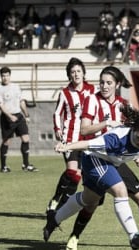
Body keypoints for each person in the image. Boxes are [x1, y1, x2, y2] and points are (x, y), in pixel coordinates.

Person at [65, 66, 139, 250]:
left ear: (118, 84)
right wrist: (106, 123)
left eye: (109, 83)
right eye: (102, 82)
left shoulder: (125, 105)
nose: (104, 86)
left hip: (118, 159)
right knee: (92, 202)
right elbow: (83, 131)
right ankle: (74, 237)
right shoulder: (92, 101)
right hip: (97, 156)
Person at [43, 107, 139, 249]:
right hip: (94, 159)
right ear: (133, 130)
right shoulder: (116, 138)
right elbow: (87, 144)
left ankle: (54, 219)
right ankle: (134, 236)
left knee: (88, 199)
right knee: (120, 190)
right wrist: (67, 146)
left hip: (115, 162)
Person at [46, 57, 96, 213]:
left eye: (78, 71)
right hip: (70, 137)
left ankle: (61, 208)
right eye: (73, 72)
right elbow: (56, 113)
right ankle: (55, 199)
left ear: (83, 73)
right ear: (69, 75)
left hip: (87, 138)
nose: (76, 74)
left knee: (77, 177)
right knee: (72, 171)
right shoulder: (65, 92)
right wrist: (58, 129)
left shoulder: (92, 90)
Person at [0, 66, 38, 173]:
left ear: (10, 75)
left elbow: (21, 101)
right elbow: (1, 106)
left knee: (26, 138)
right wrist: (10, 116)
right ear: (1, 77)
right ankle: (3, 166)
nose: (5, 78)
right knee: (7, 141)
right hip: (7, 118)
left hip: (19, 116)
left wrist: (26, 115)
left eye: (7, 75)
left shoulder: (16, 86)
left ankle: (26, 165)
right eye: (3, 76)